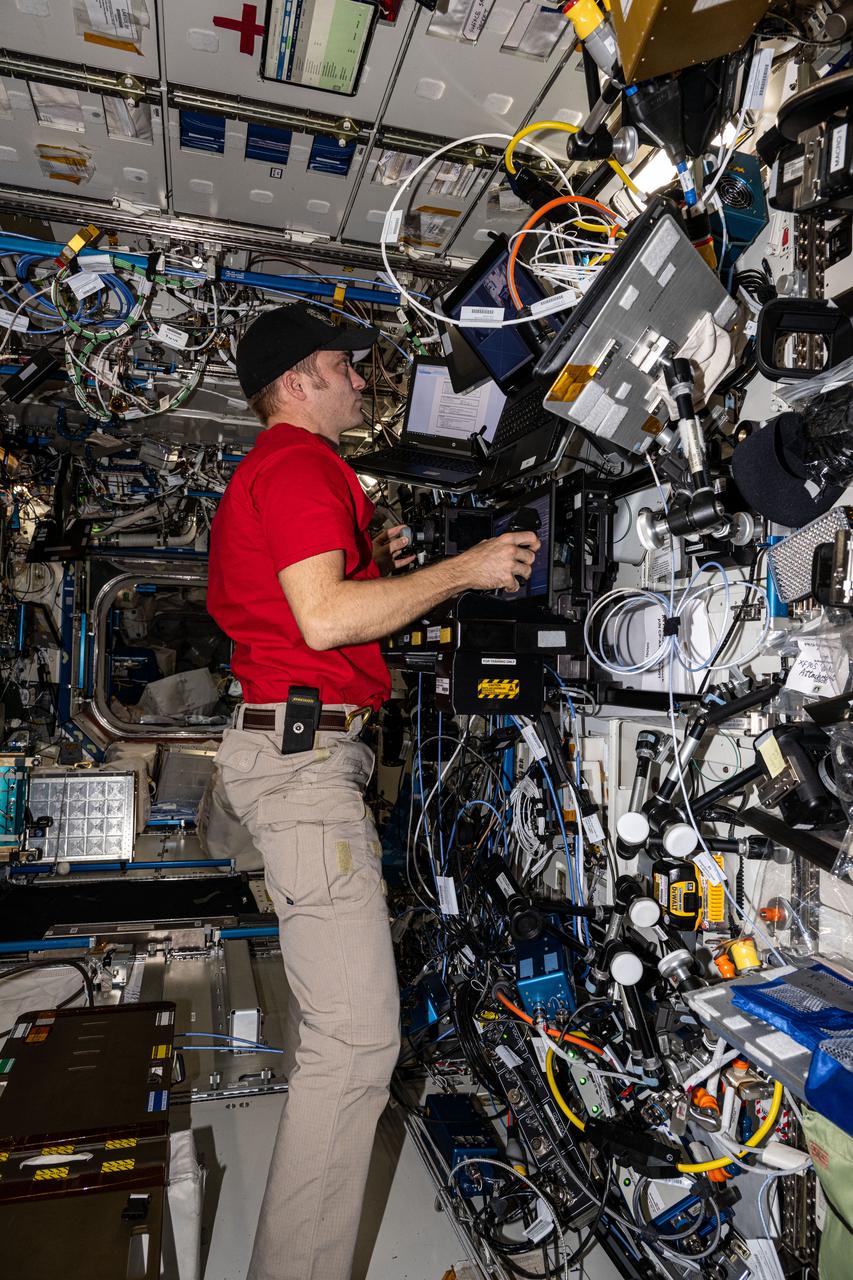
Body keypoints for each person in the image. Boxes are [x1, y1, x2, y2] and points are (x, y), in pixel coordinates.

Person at [206, 303, 540, 1280]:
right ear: (301, 379)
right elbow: (322, 620)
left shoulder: (283, 471)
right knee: (355, 1041)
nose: (362, 379)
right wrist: (466, 568)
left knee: (348, 1034)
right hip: (305, 768)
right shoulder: (303, 464)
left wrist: (376, 569)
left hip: (298, 756)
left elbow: (312, 608)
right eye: (347, 367)